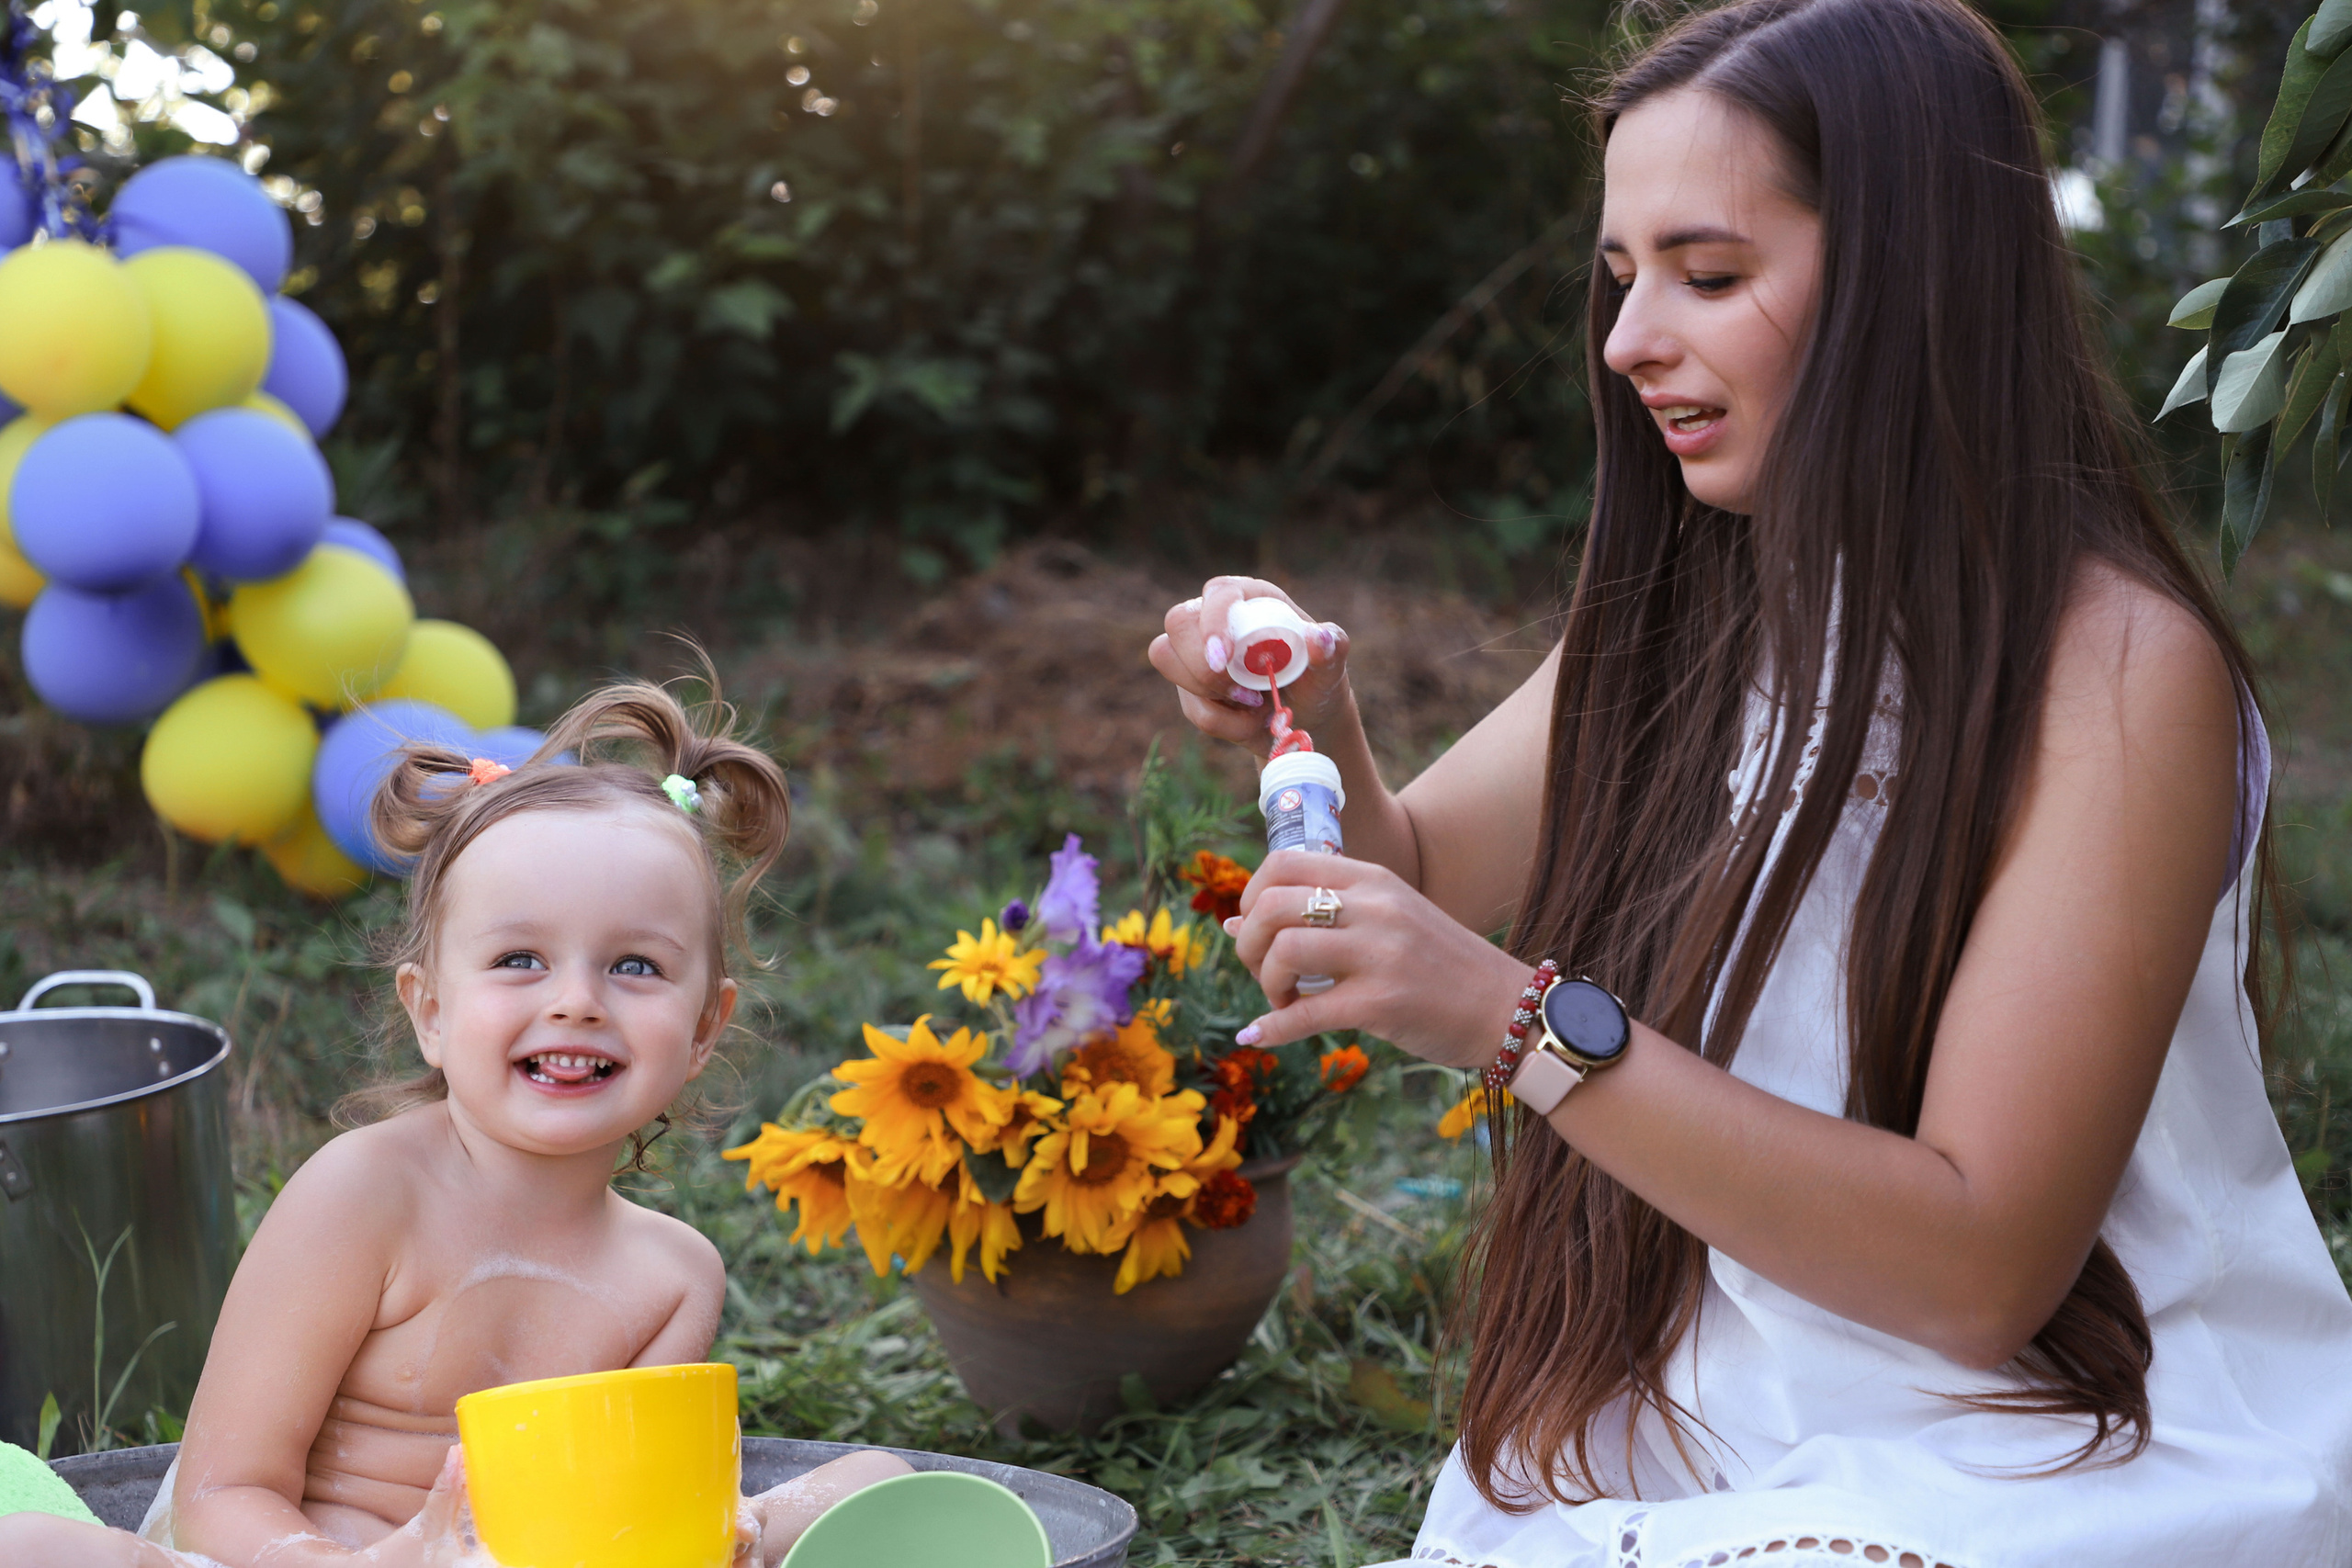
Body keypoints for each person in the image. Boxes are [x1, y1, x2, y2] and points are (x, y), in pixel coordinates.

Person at [1149, 1, 2352, 1563]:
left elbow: (1981, 1271)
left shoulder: (2114, 675)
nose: (1631, 338)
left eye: (1708, 274)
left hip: (2075, 1426)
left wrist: (1519, 1026)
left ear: (1911, 283)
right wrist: (1324, 720)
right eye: (1621, 275)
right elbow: (1424, 876)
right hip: (1747, 1400)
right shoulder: (1707, 597)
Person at [0, 680, 909, 1567]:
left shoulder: (672, 1278)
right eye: (520, 958)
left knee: (879, 1477)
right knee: (29, 1543)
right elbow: (217, 1498)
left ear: (705, 1025)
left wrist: (717, 1535)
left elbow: (616, 1525)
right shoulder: (366, 1194)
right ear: (430, 1010)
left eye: (635, 966)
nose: (577, 1003)